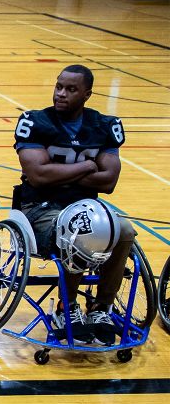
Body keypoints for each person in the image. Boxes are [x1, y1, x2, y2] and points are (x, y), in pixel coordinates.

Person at [12, 64, 132, 345]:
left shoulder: (104, 125)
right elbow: (38, 176)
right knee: (82, 232)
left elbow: (109, 181)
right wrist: (89, 164)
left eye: (71, 89)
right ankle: (67, 308)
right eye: (58, 87)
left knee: (124, 230)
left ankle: (102, 307)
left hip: (88, 209)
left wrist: (62, 174)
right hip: (39, 208)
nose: (61, 94)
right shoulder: (35, 122)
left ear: (87, 94)